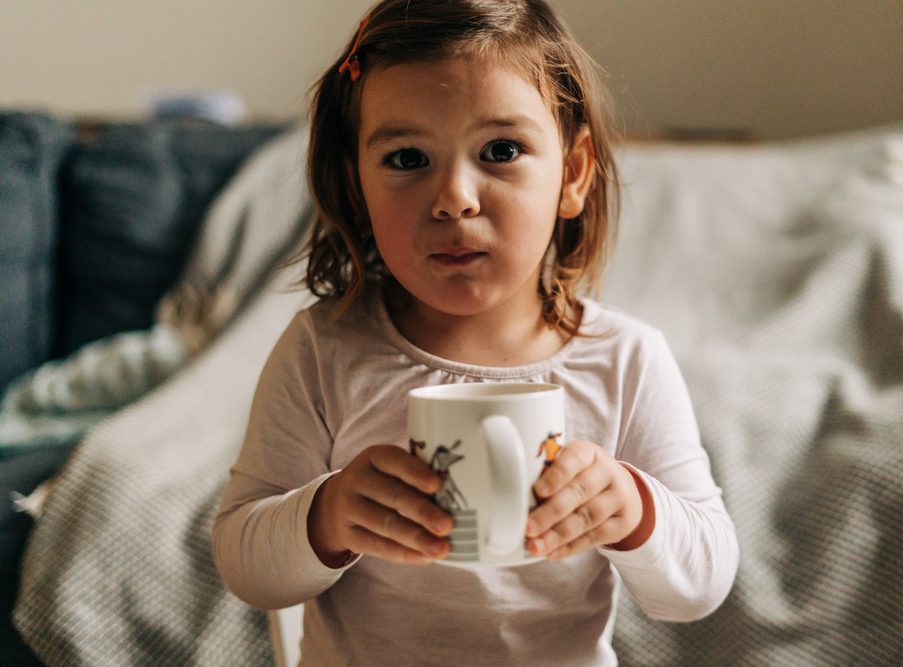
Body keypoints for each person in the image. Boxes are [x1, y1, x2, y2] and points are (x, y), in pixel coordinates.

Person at [212, 1, 739, 664]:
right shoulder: (325, 350)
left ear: (572, 174)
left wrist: (634, 507)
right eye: (408, 158)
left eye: (500, 151)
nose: (454, 197)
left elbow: (702, 583)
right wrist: (326, 515)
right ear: (355, 188)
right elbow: (243, 560)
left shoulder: (625, 360)